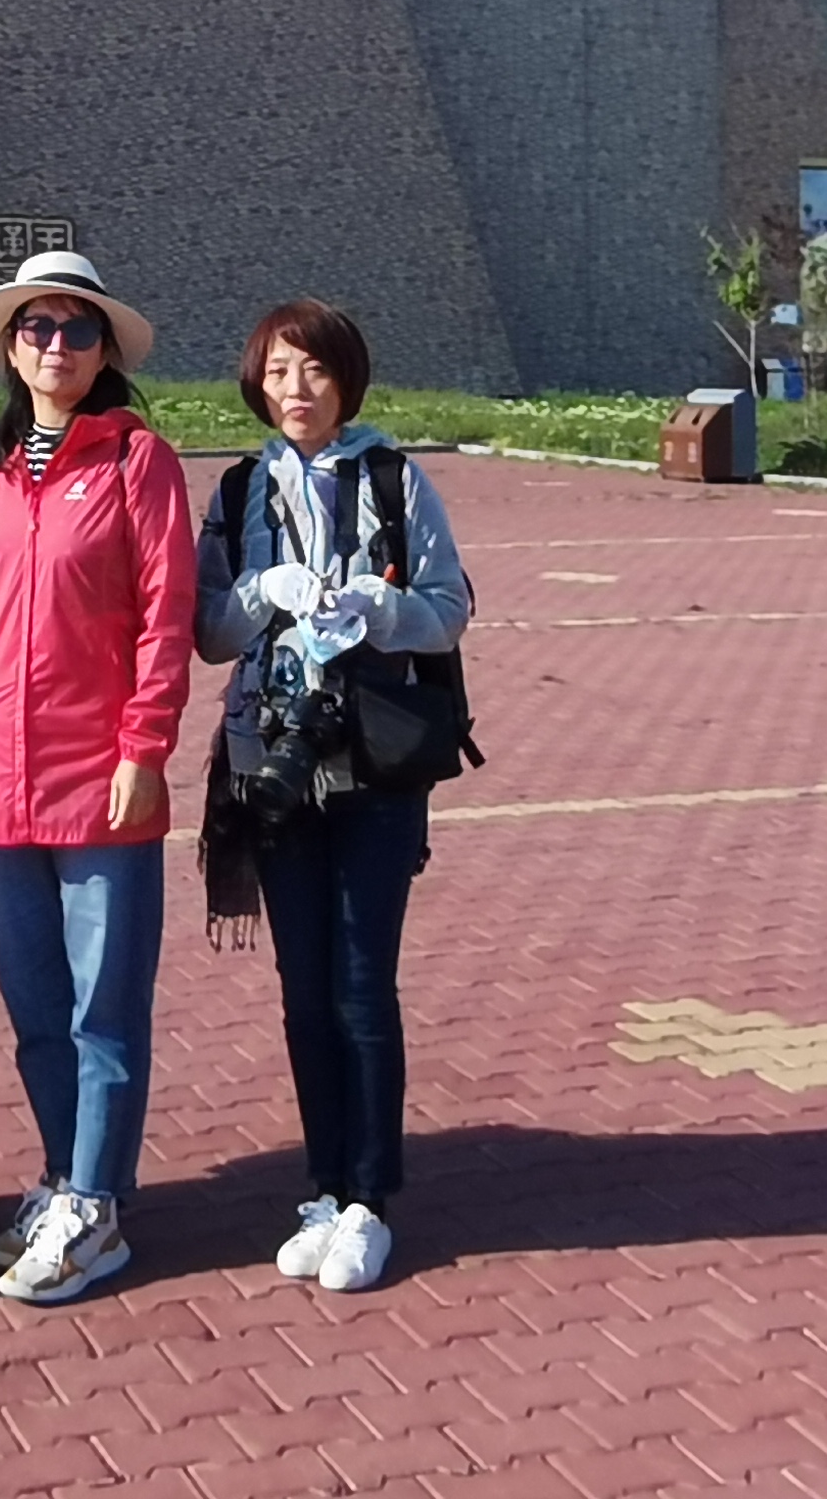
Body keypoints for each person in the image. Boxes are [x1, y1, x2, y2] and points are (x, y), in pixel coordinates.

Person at [193, 300, 472, 1295]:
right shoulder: (239, 488)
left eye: (312, 370)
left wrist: (380, 608)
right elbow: (209, 632)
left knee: (361, 988)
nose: (295, 390)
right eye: (277, 372)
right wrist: (263, 593)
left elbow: (450, 610)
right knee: (302, 992)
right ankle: (322, 1187)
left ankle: (370, 1199)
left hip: (373, 769)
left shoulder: (394, 478)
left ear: (346, 379)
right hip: (272, 764)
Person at [0, 249, 196, 1303]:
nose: (57, 346)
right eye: (38, 329)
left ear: (104, 353)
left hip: (101, 776)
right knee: (36, 1003)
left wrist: (144, 747)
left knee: (105, 1006)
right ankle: (62, 1175)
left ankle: (98, 1205)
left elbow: (166, 615)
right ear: (12, 350)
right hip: (2, 778)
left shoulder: (138, 460)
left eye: (77, 329)